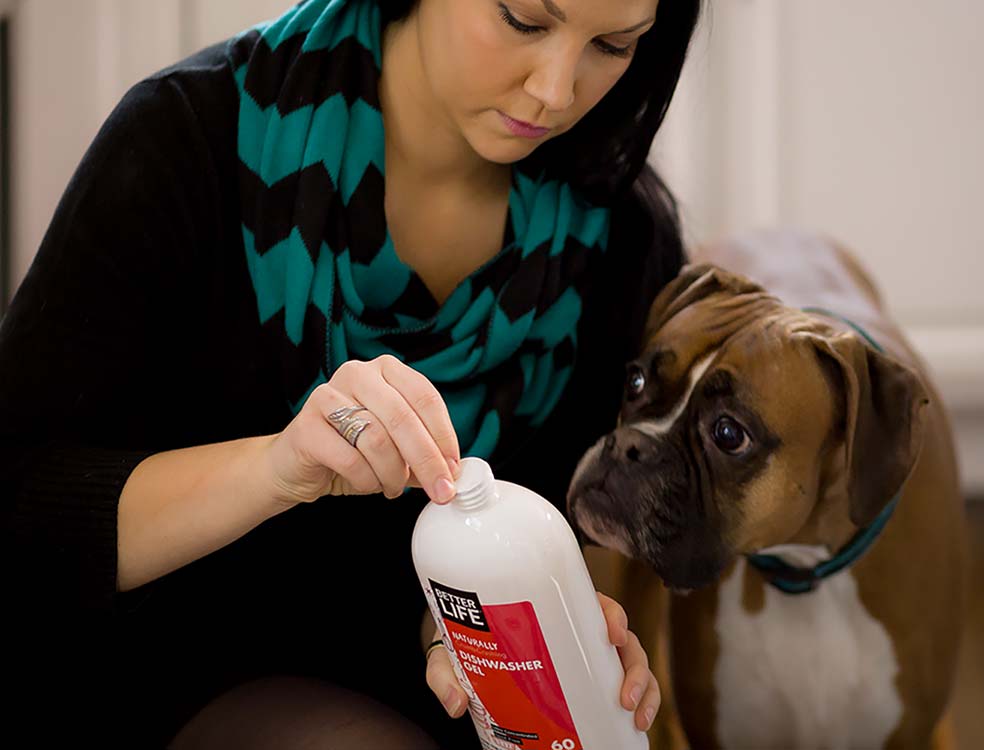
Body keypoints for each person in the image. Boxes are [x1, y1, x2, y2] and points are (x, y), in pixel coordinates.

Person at [0, 0, 700, 745]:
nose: (557, 91)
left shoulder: (621, 237)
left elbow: (539, 535)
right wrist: (275, 469)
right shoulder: (185, 140)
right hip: (160, 669)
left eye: (614, 45)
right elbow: (22, 504)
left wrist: (494, 621)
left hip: (438, 696)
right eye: (523, 20)